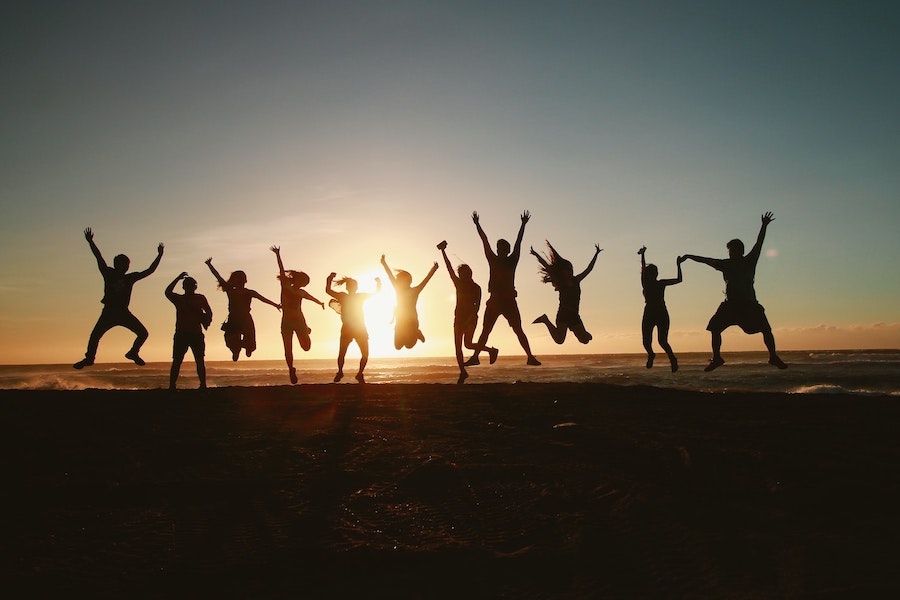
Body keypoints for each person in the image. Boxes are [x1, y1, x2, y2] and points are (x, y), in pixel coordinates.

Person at [682, 211, 787, 371]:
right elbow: (706, 260)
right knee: (715, 328)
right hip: (730, 305)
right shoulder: (725, 264)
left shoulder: (749, 261)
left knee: (766, 329)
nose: (730, 253)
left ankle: (773, 356)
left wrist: (764, 226)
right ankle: (717, 358)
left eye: (732, 251)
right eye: (729, 251)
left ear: (740, 251)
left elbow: (759, 243)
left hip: (749, 304)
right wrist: (689, 256)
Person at [73, 228, 164, 369]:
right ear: (117, 265)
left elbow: (150, 270)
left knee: (143, 333)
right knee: (95, 336)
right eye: (123, 264)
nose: (125, 267)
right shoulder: (109, 273)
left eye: (127, 265)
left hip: (123, 312)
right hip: (109, 312)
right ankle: (89, 358)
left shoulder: (130, 277)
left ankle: (133, 352)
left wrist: (159, 255)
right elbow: (99, 257)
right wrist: (91, 242)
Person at [466, 211, 540, 366]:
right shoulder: (492, 259)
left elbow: (519, 243)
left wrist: (523, 225)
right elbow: (484, 241)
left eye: (503, 248)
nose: (500, 250)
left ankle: (530, 357)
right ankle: (475, 357)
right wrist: (477, 224)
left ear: (507, 250)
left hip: (508, 300)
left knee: (518, 329)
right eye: (499, 248)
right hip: (494, 300)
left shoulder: (512, 260)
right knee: (486, 331)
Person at [438, 240, 498, 384]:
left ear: (471, 273)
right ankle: (463, 372)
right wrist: (443, 252)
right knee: (460, 347)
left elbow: (477, 306)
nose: (465, 275)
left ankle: (491, 351)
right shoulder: (458, 284)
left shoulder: (476, 287)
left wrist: (470, 318)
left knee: (468, 344)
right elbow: (449, 268)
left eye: (467, 272)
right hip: (458, 319)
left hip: (470, 319)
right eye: (463, 273)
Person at [205, 257, 280, 361]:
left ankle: (245, 348)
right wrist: (209, 265)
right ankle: (236, 350)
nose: (239, 281)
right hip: (235, 318)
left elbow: (263, 299)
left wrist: (276, 305)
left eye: (241, 279)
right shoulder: (231, 291)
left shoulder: (247, 292)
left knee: (248, 340)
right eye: (237, 279)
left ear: (244, 281)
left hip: (243, 318)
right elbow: (218, 277)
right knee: (232, 340)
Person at [531, 241, 602, 345]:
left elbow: (589, 269)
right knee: (559, 340)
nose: (569, 271)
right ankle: (545, 320)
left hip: (574, 314)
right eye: (567, 270)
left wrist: (596, 254)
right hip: (563, 314)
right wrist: (536, 254)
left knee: (585, 340)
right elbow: (546, 266)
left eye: (570, 269)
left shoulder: (576, 280)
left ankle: (581, 332)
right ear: (562, 272)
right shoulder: (560, 282)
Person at [271, 246, 325, 384]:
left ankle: (306, 330)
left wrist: (320, 303)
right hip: (286, 323)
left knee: (306, 347)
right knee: (288, 350)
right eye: (304, 282)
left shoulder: (301, 292)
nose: (304, 285)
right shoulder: (285, 286)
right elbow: (281, 269)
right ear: (298, 280)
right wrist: (278, 254)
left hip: (299, 322)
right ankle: (291, 370)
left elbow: (311, 297)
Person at [326, 272, 381, 383]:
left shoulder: (354, 296)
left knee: (359, 353)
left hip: (357, 328)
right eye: (351, 286)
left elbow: (376, 292)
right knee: (348, 353)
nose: (352, 287)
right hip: (352, 328)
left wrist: (378, 283)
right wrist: (329, 279)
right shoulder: (346, 296)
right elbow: (377, 292)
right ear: (351, 287)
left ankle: (356, 374)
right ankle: (345, 372)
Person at [638, 247, 684, 372]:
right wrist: (643, 255)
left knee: (662, 341)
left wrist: (678, 265)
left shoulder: (661, 283)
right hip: (650, 312)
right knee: (646, 341)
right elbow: (642, 268)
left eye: (654, 272)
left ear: (656, 274)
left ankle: (672, 359)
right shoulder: (645, 283)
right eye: (651, 273)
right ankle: (651, 354)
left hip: (660, 312)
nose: (653, 274)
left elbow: (679, 280)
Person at [165, 272, 213, 389]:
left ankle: (174, 386)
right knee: (195, 361)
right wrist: (206, 320)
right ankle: (201, 385)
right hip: (187, 333)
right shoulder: (184, 299)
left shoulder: (187, 299)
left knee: (181, 361)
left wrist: (177, 278)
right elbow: (209, 313)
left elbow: (167, 292)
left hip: (189, 333)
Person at [380, 254, 439, 350]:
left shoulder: (415, 291)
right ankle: (415, 333)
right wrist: (384, 263)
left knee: (409, 345)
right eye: (398, 280)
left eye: (400, 280)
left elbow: (426, 280)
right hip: (400, 320)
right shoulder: (398, 289)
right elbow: (390, 276)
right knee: (398, 346)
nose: (398, 281)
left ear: (408, 281)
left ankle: (417, 333)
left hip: (411, 322)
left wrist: (434, 269)